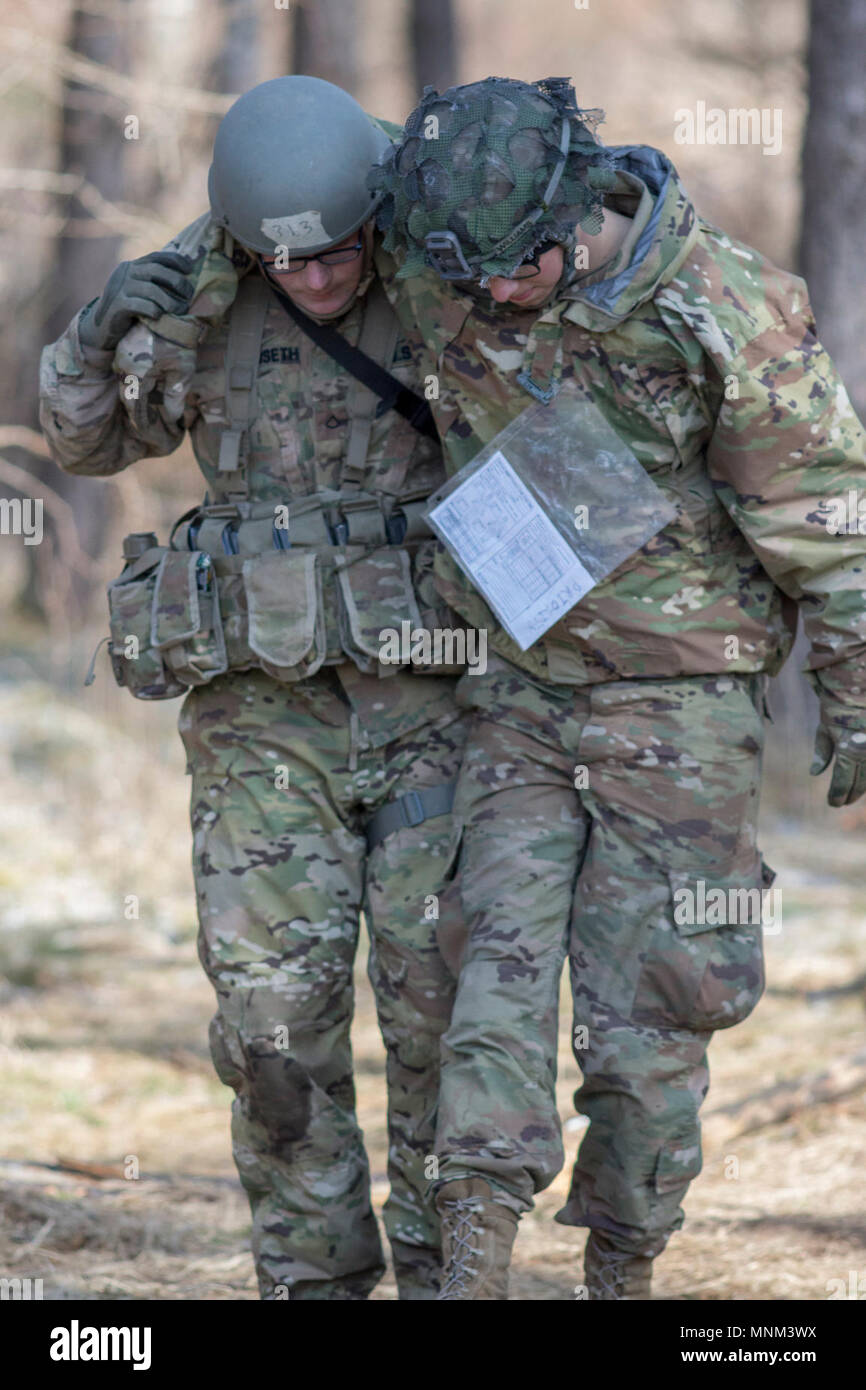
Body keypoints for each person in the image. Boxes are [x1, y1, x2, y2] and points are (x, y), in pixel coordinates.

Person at [367, 75, 866, 1299]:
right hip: (516, 692)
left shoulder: (727, 309)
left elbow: (827, 526)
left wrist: (854, 698)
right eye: (468, 277)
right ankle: (474, 1250)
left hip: (680, 711)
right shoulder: (444, 243)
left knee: (655, 1012)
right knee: (483, 966)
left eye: (517, 270)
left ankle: (621, 1263)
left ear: (578, 205)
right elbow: (289, 215)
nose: (490, 297)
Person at [39, 75, 471, 1301]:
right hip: (258, 717)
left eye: (339, 256)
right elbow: (83, 438)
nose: (320, 282)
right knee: (274, 1026)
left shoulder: (442, 273)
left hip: (436, 702)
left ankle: (452, 1278)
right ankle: (311, 1279)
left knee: (443, 1015)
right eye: (293, 263)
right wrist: (96, 334)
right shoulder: (196, 287)